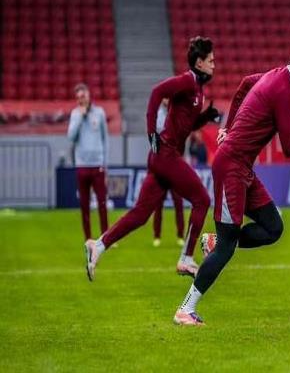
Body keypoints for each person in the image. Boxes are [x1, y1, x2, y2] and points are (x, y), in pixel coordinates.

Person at [174, 30, 290, 325]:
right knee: (227, 248)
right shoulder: (285, 92)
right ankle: (185, 309)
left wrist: (228, 127)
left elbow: (245, 83)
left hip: (243, 169)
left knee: (273, 227)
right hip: (231, 169)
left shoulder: (275, 76)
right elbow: (289, 147)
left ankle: (214, 241)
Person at [84, 36, 219, 280]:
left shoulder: (198, 89)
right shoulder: (187, 81)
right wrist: (151, 132)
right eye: (210, 60)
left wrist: (205, 117)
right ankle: (186, 258)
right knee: (202, 200)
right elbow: (157, 92)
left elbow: (185, 126)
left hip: (161, 157)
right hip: (166, 155)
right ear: (199, 62)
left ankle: (99, 245)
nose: (214, 64)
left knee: (140, 214)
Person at [67, 83, 109, 241]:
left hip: (97, 165)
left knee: (102, 203)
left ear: (89, 96)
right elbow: (71, 137)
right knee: (84, 205)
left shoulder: (100, 113)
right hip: (82, 166)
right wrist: (80, 117)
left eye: (83, 96)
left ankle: (106, 238)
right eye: (78, 97)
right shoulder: (75, 114)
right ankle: (88, 238)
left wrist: (105, 164)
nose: (81, 99)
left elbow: (105, 140)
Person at [152, 99, 185, 248]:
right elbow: (155, 137)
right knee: (158, 202)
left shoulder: (178, 113)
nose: (166, 100)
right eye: (164, 97)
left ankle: (180, 235)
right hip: (161, 164)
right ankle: (157, 236)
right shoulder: (157, 115)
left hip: (175, 164)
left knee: (178, 202)